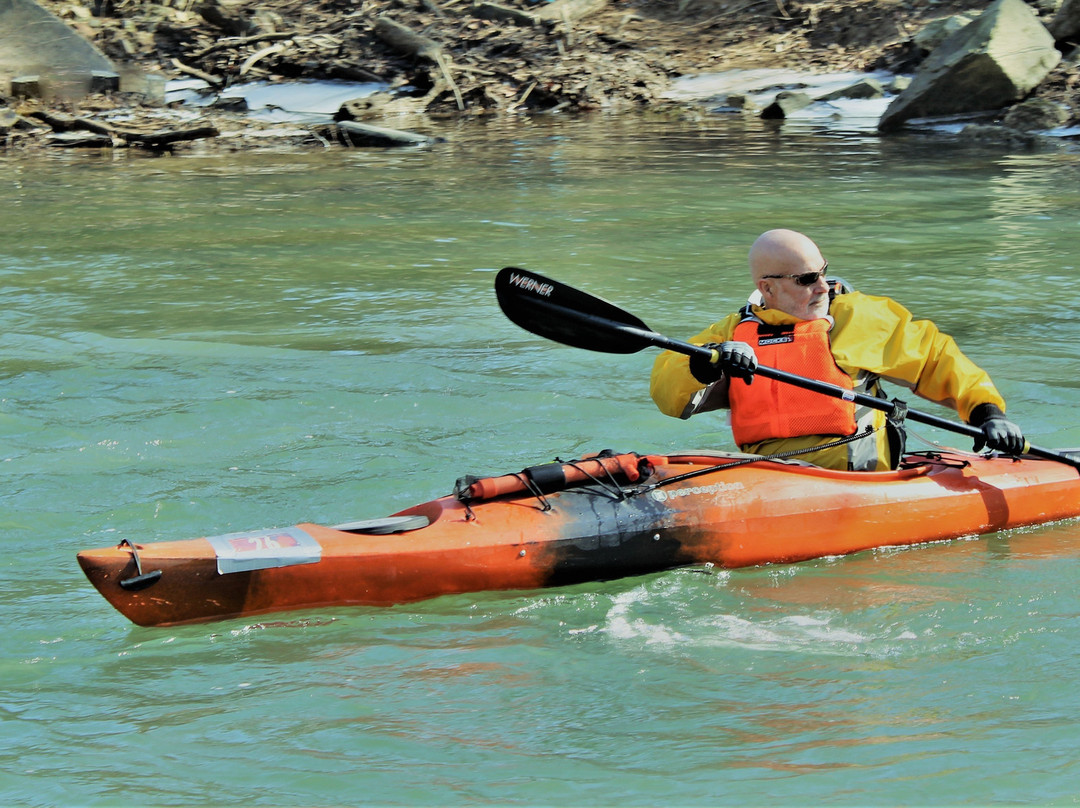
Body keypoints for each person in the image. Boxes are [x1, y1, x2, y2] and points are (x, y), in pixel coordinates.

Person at [649, 229, 1025, 471]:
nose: (823, 288)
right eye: (807, 279)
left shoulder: (856, 318)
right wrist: (706, 366)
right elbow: (666, 388)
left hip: (858, 482)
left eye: (823, 273)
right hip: (768, 476)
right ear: (768, 289)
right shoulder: (733, 333)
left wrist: (987, 413)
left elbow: (936, 359)